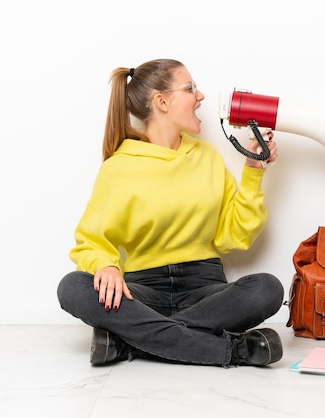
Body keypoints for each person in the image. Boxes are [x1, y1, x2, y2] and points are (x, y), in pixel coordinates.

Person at [57, 58, 284, 368]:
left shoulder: (206, 157)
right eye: (190, 88)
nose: (200, 96)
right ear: (162, 101)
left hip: (205, 290)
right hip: (142, 294)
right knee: (72, 287)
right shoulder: (119, 167)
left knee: (266, 288)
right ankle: (231, 350)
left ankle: (129, 343)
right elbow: (90, 241)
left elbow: (234, 237)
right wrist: (105, 266)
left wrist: (253, 170)